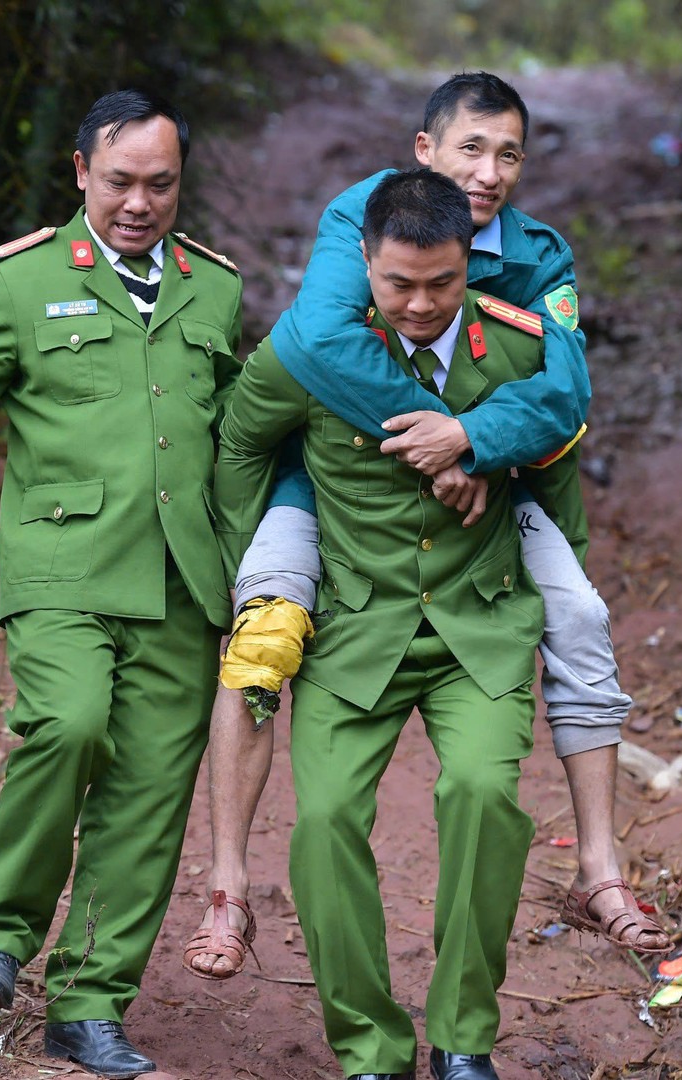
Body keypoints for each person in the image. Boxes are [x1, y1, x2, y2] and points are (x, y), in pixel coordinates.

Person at [184, 72, 666, 982]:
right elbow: (321, 345)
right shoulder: (362, 214)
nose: (488, 172)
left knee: (578, 616)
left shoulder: (536, 253)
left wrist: (473, 442)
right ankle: (228, 887)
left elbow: (564, 395)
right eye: (470, 149)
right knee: (261, 637)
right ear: (425, 152)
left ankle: (599, 868)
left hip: (488, 480)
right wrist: (432, 445)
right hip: (333, 478)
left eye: (508, 153)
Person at [216, 167, 585, 1080]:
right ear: (363, 265)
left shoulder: (518, 346)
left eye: (442, 284)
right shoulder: (313, 350)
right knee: (324, 823)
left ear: (471, 265)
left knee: (480, 798)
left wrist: (489, 461)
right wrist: (258, 572)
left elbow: (559, 480)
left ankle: (463, 1039)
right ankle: (370, 1049)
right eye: (398, 284)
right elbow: (237, 441)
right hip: (355, 629)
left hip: (480, 627)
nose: (421, 306)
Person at [0, 89, 243, 1080]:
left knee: (149, 796)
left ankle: (90, 1003)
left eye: (160, 183)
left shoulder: (214, 288)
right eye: (119, 181)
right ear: (80, 174)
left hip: (183, 579)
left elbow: (237, 430)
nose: (139, 202)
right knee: (66, 724)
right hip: (63, 565)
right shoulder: (18, 280)